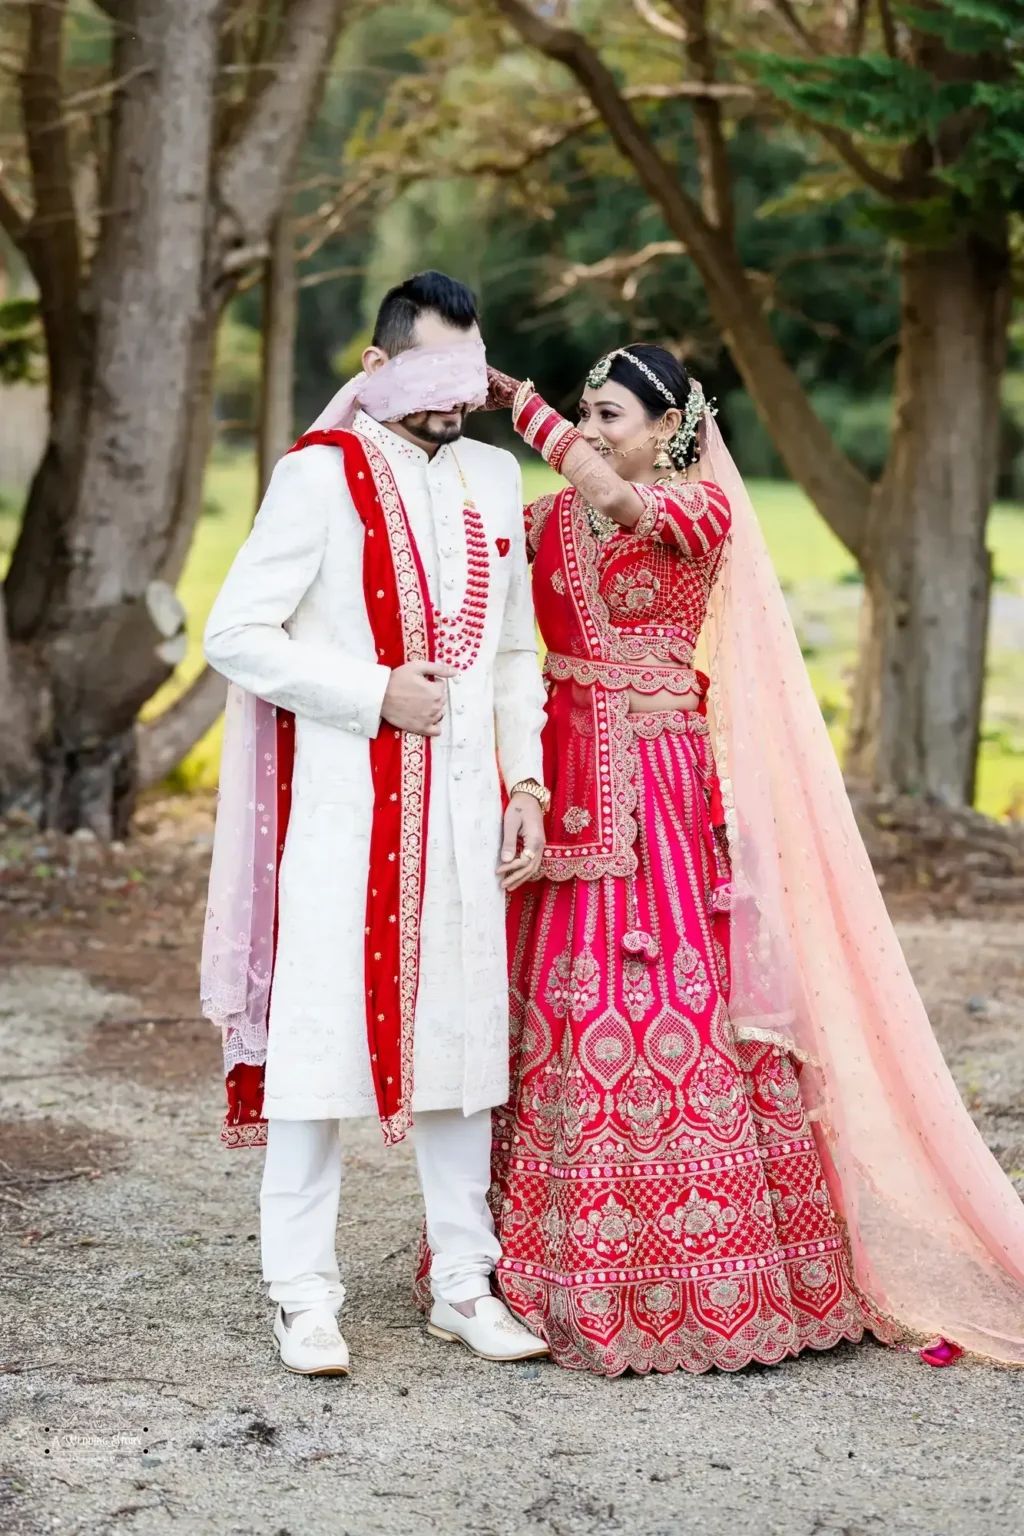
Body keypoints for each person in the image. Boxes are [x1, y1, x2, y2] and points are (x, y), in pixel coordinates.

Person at [474, 345, 1024, 1376]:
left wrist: (527, 408)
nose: (588, 433)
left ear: (667, 427)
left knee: (663, 1007)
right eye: (582, 415)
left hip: (663, 790)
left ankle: (708, 1275)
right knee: (555, 1009)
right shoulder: (546, 520)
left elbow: (618, 503)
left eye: (607, 414)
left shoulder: (696, 511)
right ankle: (541, 1272)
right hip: (562, 778)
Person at [200, 272, 551, 1374]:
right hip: (344, 819)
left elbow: (511, 655)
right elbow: (236, 633)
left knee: (460, 1051)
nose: (454, 407)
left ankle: (462, 1284)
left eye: (468, 381)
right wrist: (370, 692)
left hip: (463, 815)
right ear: (379, 366)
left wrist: (526, 785)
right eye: (434, 382)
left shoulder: (494, 477)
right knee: (315, 1058)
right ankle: (303, 1296)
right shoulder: (318, 477)